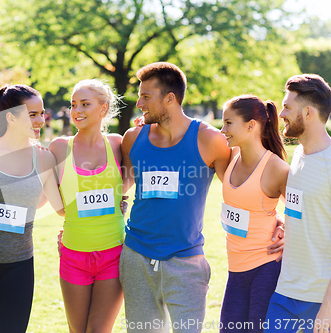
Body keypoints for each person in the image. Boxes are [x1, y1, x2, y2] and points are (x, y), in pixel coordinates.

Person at [119, 61, 231, 333]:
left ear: (169, 98)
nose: (139, 102)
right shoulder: (132, 138)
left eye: (146, 96)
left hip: (186, 261)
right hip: (136, 258)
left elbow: (237, 189)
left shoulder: (209, 140)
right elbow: (122, 187)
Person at [0, 84, 64, 333]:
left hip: (19, 263)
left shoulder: (44, 158)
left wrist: (111, 202)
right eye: (32, 114)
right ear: (10, 117)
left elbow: (61, 208)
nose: (41, 120)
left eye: (42, 113)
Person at [48, 79, 126, 333]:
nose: (77, 110)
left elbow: (126, 186)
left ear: (103, 109)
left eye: (85, 104)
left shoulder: (118, 144)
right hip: (74, 254)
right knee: (77, 330)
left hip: (113, 254)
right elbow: (59, 206)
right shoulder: (59, 148)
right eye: (73, 105)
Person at [263, 74, 331, 333]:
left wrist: (327, 309)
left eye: (287, 107)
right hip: (286, 291)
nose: (281, 114)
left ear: (309, 112)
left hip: (320, 299)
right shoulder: (298, 155)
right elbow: (305, 207)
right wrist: (284, 223)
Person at [219, 95, 289, 333]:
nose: (222, 129)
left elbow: (303, 212)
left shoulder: (277, 168)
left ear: (251, 125)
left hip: (265, 267)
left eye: (229, 123)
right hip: (234, 269)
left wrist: (286, 229)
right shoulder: (229, 157)